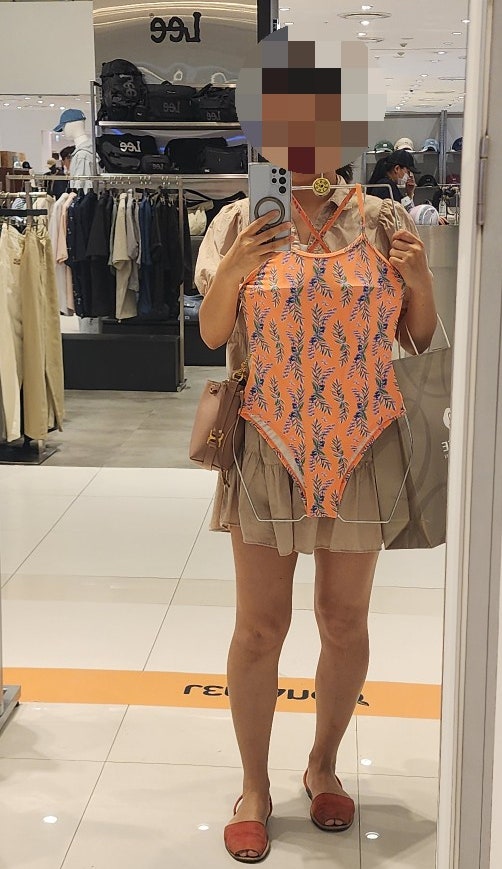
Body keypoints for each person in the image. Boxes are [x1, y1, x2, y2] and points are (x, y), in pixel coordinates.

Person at [195, 164, 436, 863]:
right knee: (259, 625)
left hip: (362, 443)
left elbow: (419, 338)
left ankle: (323, 764)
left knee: (344, 618)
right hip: (265, 444)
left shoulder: (384, 220)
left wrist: (420, 280)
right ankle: (253, 787)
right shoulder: (240, 219)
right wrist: (235, 267)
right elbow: (211, 334)